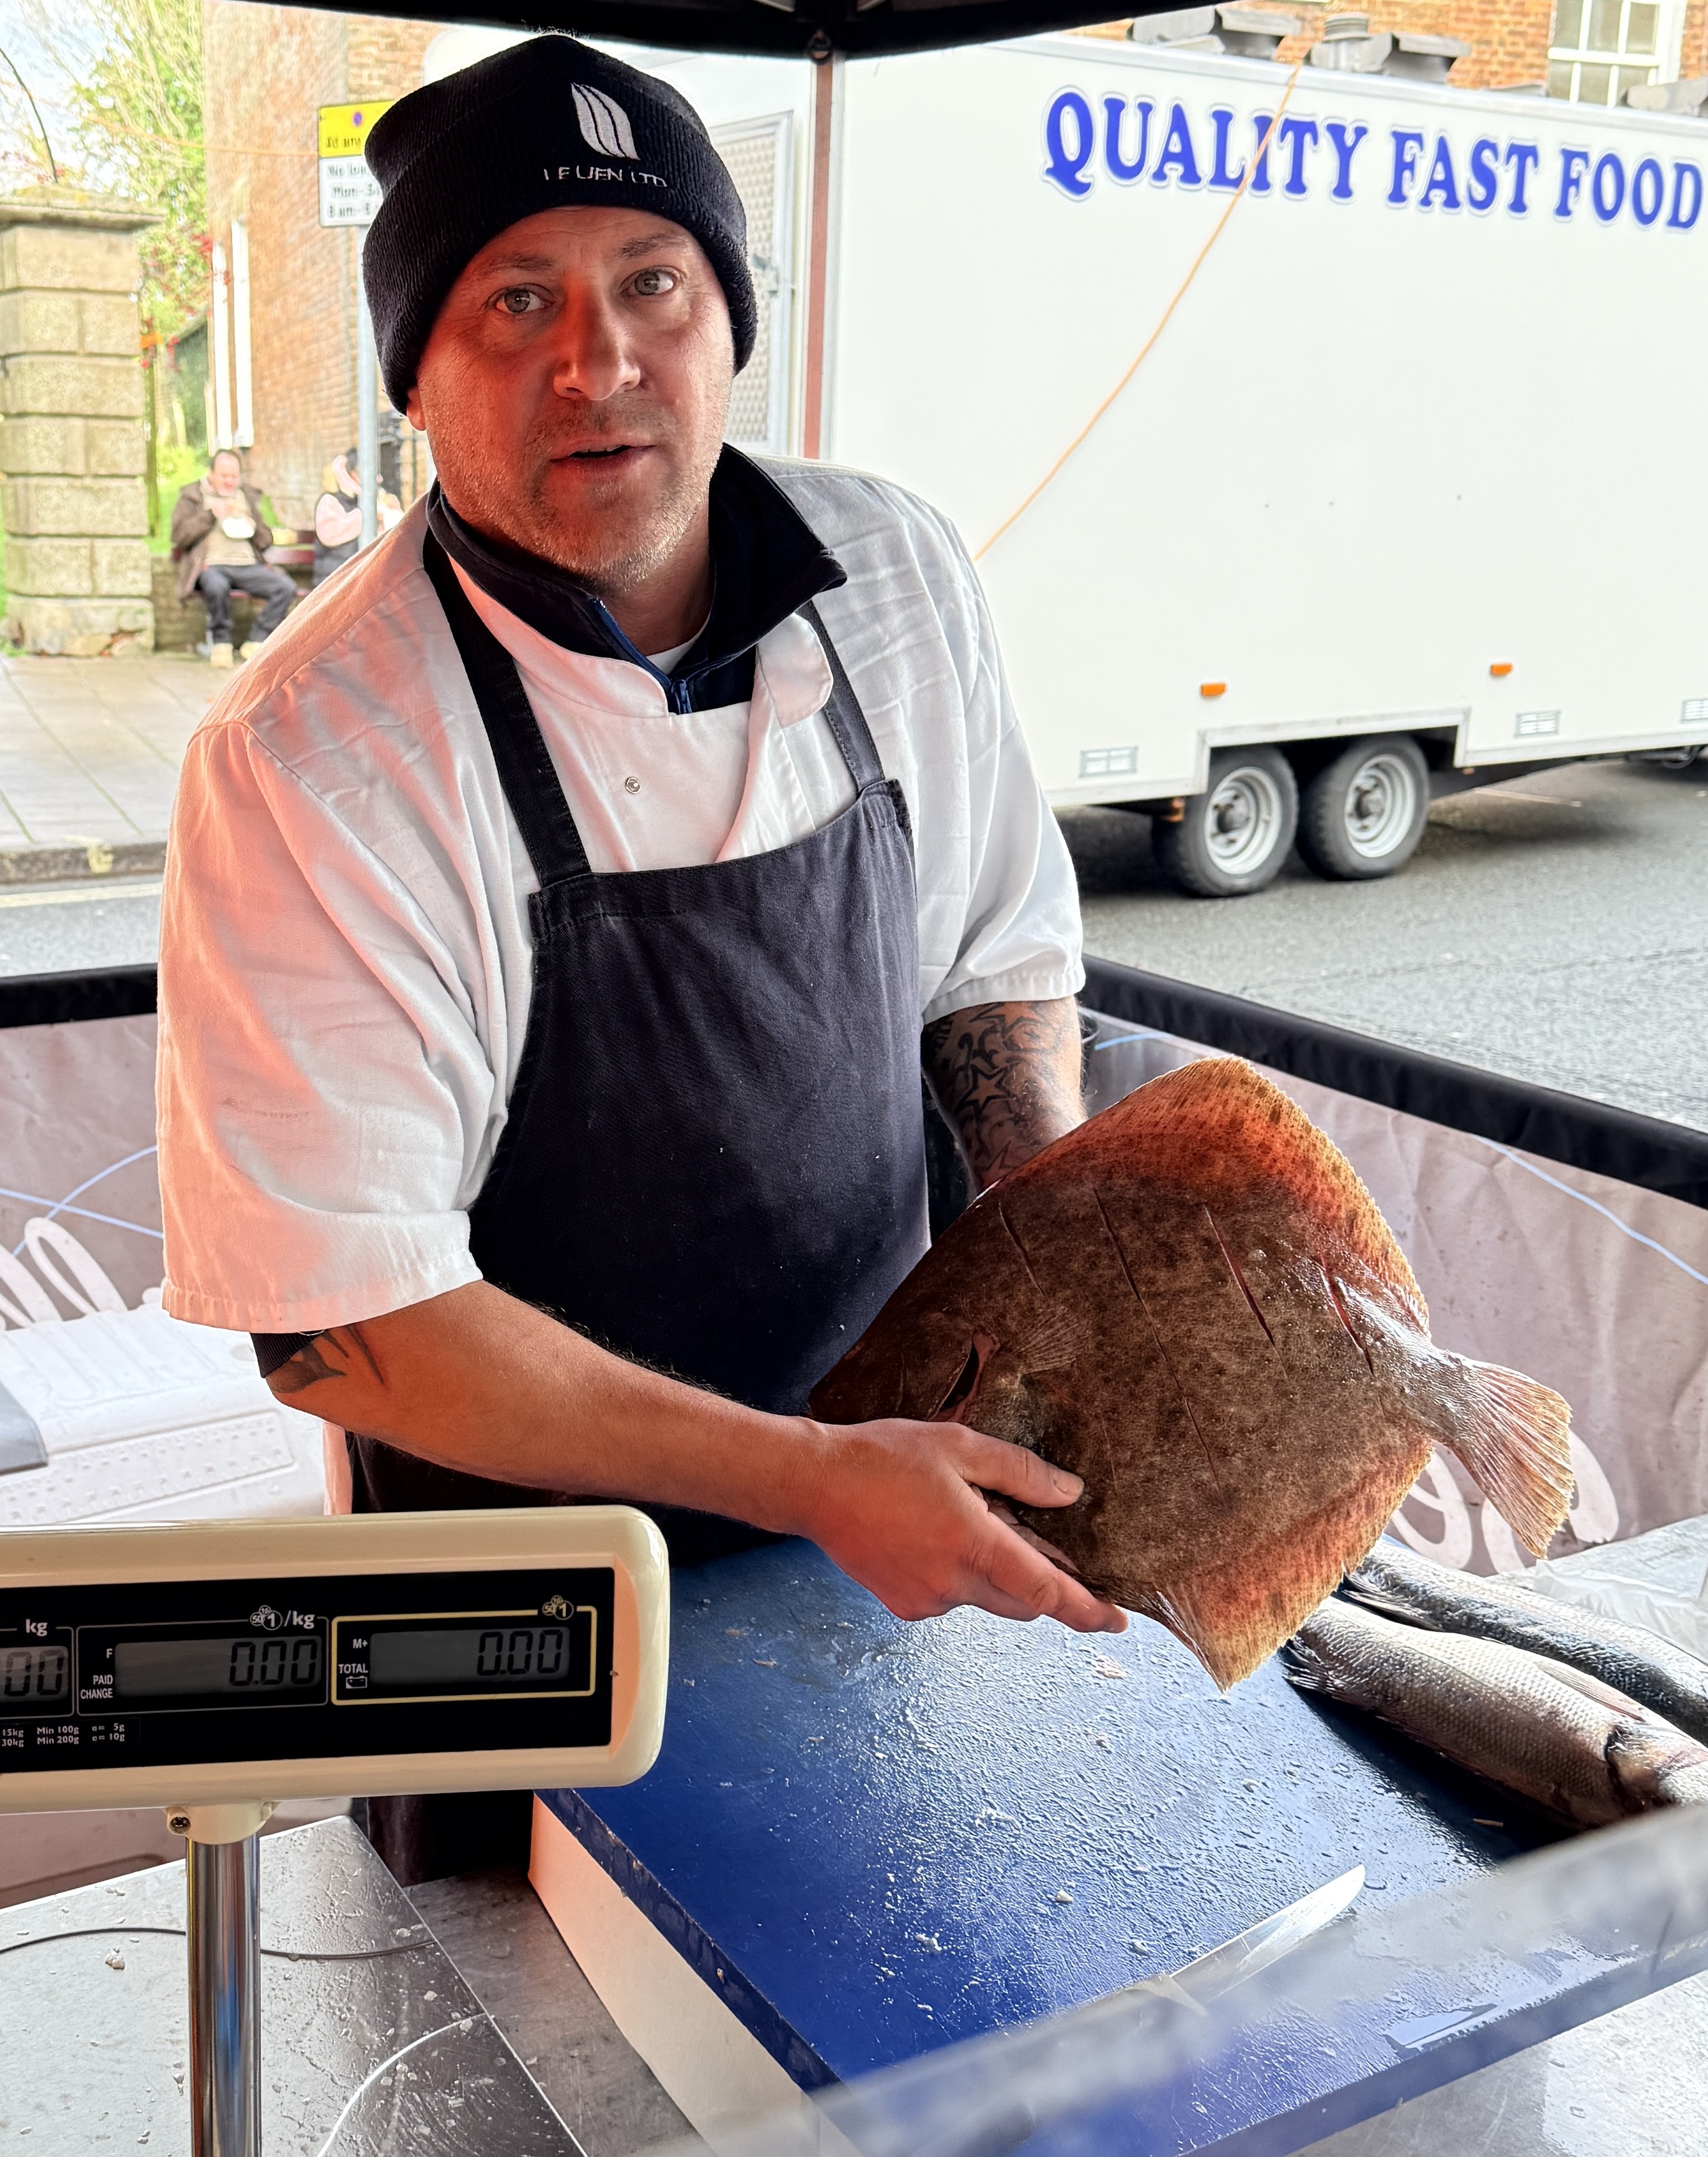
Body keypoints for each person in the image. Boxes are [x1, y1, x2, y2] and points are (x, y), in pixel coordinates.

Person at [156, 38, 1115, 1883]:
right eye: (513, 301)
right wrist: (809, 1479)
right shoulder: (315, 756)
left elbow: (993, 959)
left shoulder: (894, 574)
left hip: (898, 1551)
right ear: (414, 379)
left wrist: (1059, 1287)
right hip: (517, 1622)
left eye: (650, 284)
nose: (594, 362)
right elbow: (354, 1322)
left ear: (727, 318)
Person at [169, 450, 294, 666]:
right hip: (211, 565)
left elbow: (266, 541)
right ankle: (221, 643)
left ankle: (256, 640)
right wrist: (210, 515)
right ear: (211, 475)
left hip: (248, 566)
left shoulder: (246, 497)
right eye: (224, 476)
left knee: (285, 587)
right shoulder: (194, 496)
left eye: (234, 477)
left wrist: (252, 525)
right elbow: (179, 536)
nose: (230, 481)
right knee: (216, 587)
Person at [309, 446, 401, 575]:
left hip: (359, 574)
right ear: (353, 475)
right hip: (337, 577)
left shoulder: (364, 499)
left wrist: (391, 511)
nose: (378, 479)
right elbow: (330, 534)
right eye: (371, 474)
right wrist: (370, 516)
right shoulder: (330, 501)